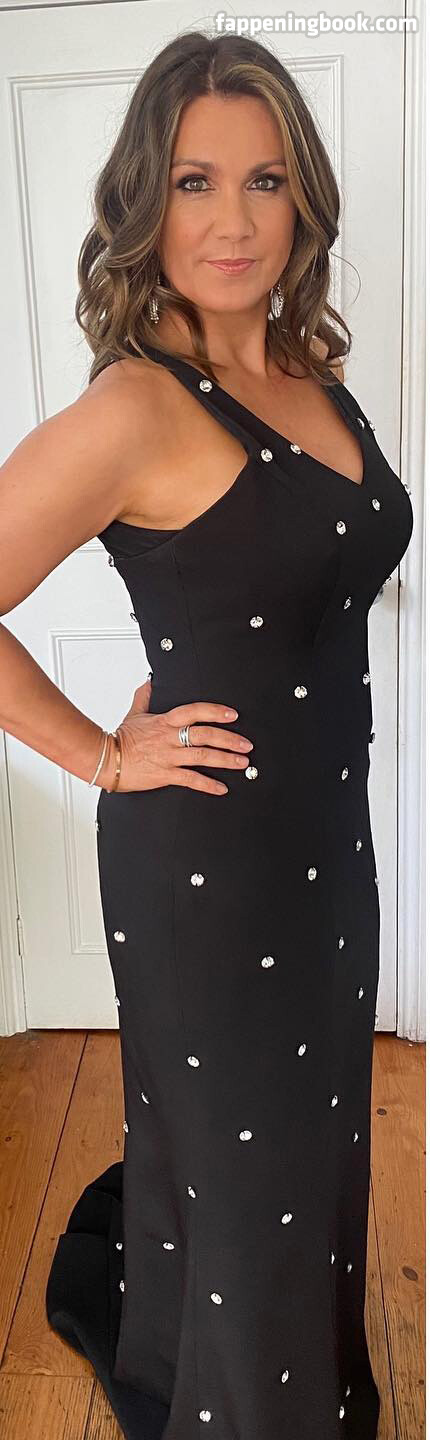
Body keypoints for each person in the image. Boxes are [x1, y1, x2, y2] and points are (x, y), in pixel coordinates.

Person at [0, 30, 413, 1440]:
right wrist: (102, 754)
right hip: (207, 861)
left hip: (324, 842)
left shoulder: (306, 367)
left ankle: (249, 1375)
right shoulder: (134, 408)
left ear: (302, 199)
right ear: (145, 200)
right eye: (193, 181)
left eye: (263, 179)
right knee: (249, 1166)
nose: (231, 220)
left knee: (303, 1144)